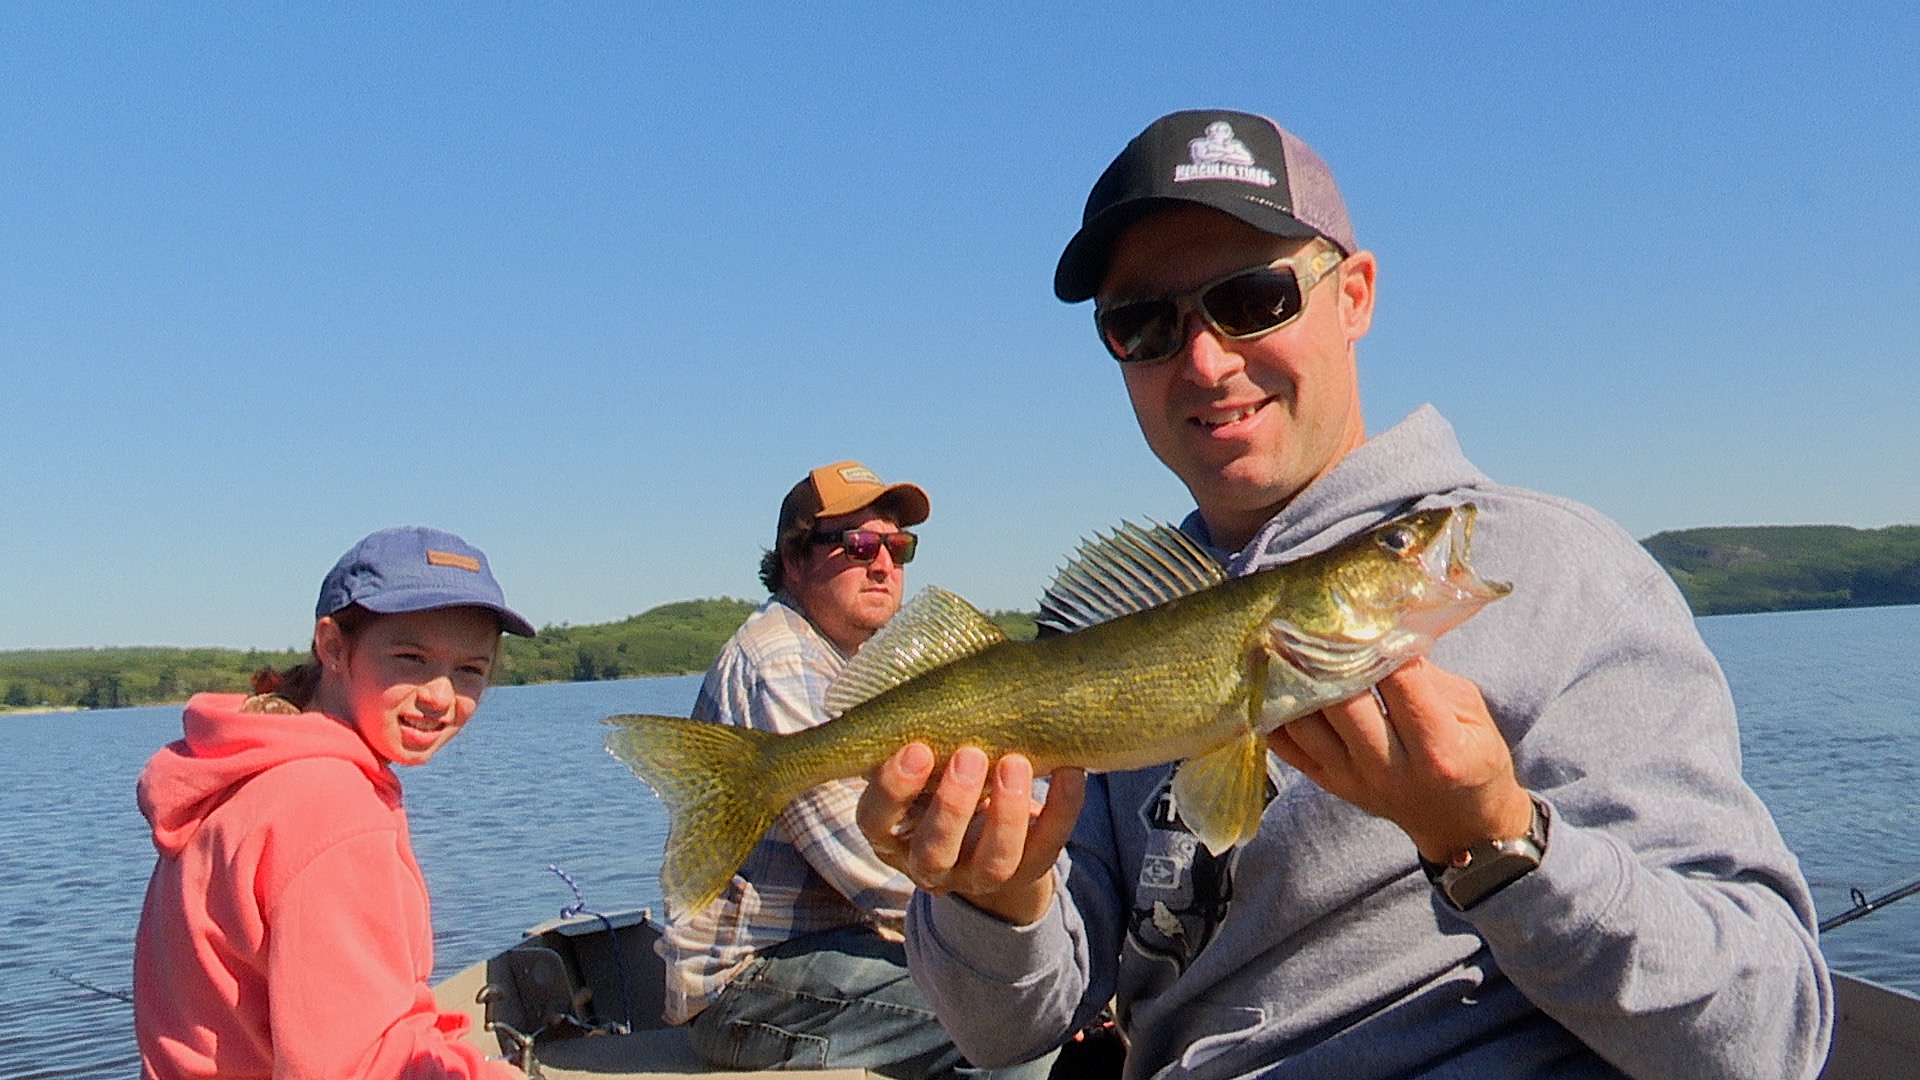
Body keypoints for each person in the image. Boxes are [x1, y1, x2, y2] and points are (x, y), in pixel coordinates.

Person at [856, 110, 1834, 1079]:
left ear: (1355, 295)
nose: (1204, 360)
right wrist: (998, 901)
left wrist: (1497, 843)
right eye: (1143, 324)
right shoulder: (1120, 635)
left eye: (1253, 299)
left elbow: (1767, 1035)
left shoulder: (1562, 574)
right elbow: (1008, 1034)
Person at [654, 460, 1054, 1078]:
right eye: (859, 543)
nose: (884, 563)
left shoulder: (861, 664)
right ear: (794, 558)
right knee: (1018, 1023)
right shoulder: (778, 657)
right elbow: (862, 860)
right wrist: (1002, 933)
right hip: (750, 983)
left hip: (846, 951)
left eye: (899, 546)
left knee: (1022, 993)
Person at [133, 525, 537, 1079]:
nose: (441, 697)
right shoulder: (331, 811)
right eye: (411, 657)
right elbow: (358, 1067)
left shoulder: (242, 769)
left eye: (470, 670)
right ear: (333, 647)